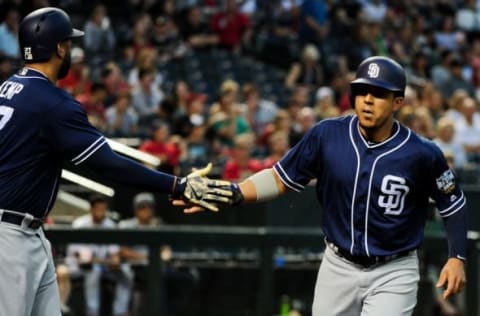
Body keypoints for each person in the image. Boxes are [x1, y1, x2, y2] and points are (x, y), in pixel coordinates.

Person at [178, 56, 468, 316]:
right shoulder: (327, 135)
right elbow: (280, 178)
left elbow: (453, 203)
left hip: (394, 269)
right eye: (361, 91)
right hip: (338, 265)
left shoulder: (422, 153)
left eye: (379, 94)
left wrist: (456, 256)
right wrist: (236, 192)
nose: (367, 99)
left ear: (398, 102)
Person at [0, 7, 230, 316]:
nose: (71, 50)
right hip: (9, 237)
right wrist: (177, 185)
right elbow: (110, 164)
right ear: (58, 47)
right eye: (68, 43)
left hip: (26, 232)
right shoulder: (53, 104)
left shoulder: (7, 89)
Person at [65, 195, 133, 316]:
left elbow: (114, 251)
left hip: (103, 265)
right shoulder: (80, 224)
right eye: (98, 208)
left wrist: (115, 260)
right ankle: (92, 312)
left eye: (103, 208)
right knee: (94, 270)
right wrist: (106, 262)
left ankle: (120, 311)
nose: (101, 212)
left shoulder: (110, 225)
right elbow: (83, 258)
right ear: (91, 209)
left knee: (126, 271)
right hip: (79, 267)